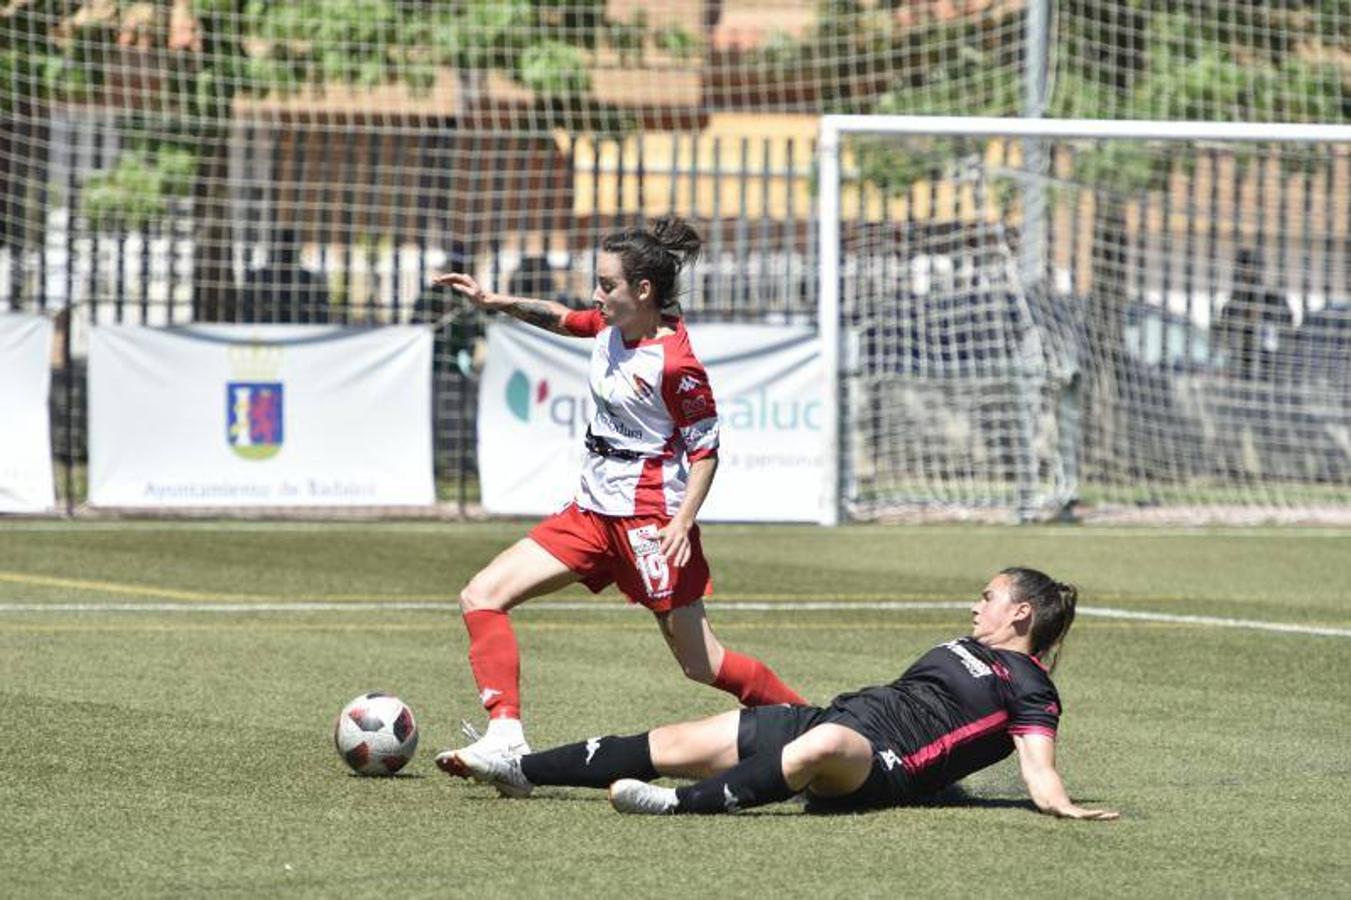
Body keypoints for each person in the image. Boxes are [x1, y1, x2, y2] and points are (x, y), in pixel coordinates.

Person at [429, 216, 806, 776]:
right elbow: (560, 318)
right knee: (481, 594)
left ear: (644, 291)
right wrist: (494, 300)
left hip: (649, 525)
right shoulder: (609, 327)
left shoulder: (676, 363)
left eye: (607, 285)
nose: (596, 295)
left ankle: (812, 729)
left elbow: (706, 450)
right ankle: (506, 734)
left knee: (703, 665)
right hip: (589, 515)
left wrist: (681, 522)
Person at [450, 567, 1119, 821]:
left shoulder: (1031, 689)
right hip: (836, 718)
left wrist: (1060, 805)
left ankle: (678, 807)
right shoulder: (966, 645)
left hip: (880, 768)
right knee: (679, 739)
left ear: (1022, 614)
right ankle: (520, 768)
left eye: (988, 597)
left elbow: (1038, 766)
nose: (977, 605)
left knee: (824, 743)